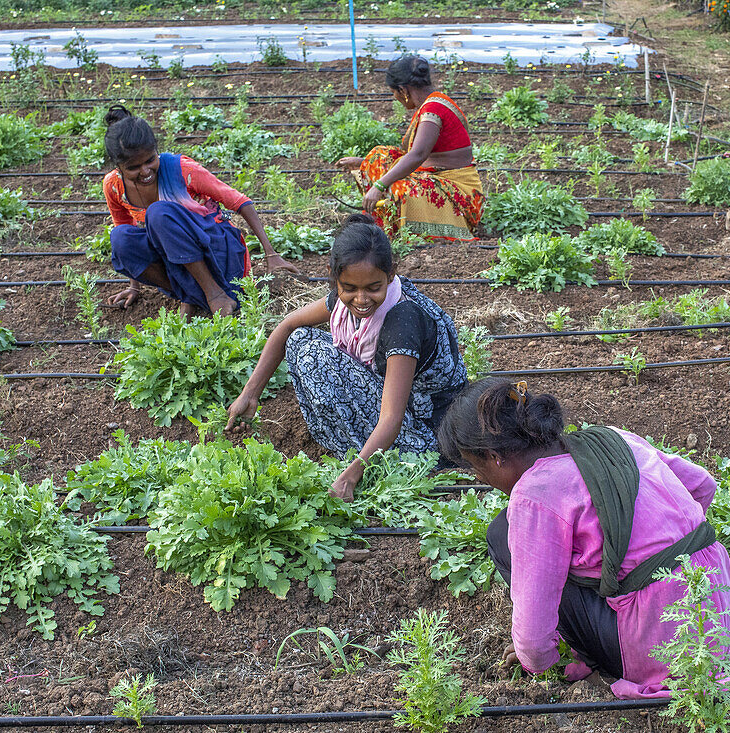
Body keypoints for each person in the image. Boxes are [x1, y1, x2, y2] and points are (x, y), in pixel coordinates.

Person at [437, 379, 730, 699]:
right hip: (712, 609)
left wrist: (541, 664)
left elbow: (533, 639)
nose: (483, 479)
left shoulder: (535, 494)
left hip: (660, 643)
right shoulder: (610, 438)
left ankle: (599, 658)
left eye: (476, 469)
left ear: (494, 456)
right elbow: (702, 486)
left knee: (501, 534)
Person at [226, 214, 468, 498]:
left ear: (391, 275)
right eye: (350, 288)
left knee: (316, 355)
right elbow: (288, 325)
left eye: (373, 288)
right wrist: (250, 393)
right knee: (301, 340)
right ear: (335, 276)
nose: (361, 299)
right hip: (406, 414)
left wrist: (351, 476)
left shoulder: (403, 319)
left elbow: (391, 417)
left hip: (430, 438)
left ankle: (360, 458)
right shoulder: (346, 297)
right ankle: (355, 448)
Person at [101, 105, 298, 316]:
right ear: (118, 167)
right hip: (177, 256)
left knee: (158, 214)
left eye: (150, 160)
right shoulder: (114, 185)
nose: (145, 171)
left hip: (217, 248)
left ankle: (215, 294)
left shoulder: (181, 169)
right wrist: (134, 286)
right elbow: (125, 230)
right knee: (120, 238)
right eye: (133, 168)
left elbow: (241, 202)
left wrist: (271, 254)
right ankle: (191, 295)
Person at [335, 55, 485, 242]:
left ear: (403, 90)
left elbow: (417, 155)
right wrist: (364, 162)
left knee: (398, 187)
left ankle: (393, 225)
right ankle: (382, 217)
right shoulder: (430, 104)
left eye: (394, 92)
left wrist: (379, 185)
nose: (395, 98)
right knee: (379, 156)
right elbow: (410, 155)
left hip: (457, 190)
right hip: (434, 176)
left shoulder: (433, 109)